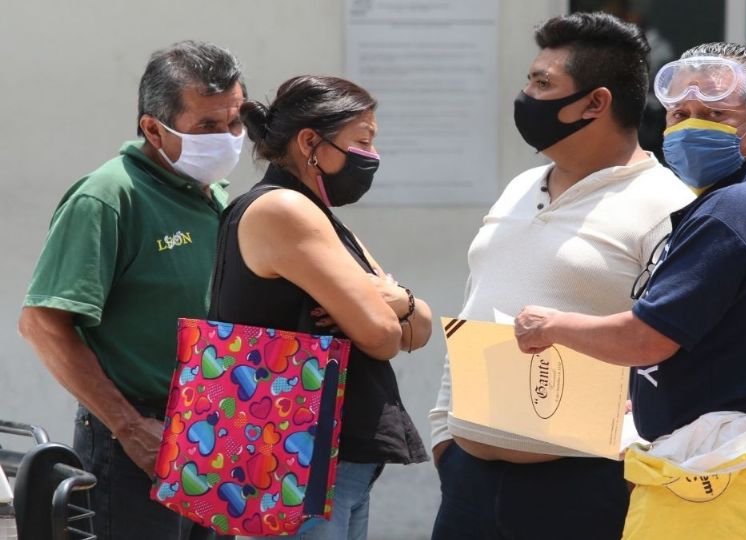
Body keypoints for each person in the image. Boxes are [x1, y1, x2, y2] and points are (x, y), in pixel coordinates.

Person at [514, 43, 746, 537]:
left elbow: (645, 339)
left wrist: (551, 325)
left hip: (729, 485)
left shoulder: (735, 212)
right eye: (680, 113)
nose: (692, 126)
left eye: (715, 114)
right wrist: (664, 388)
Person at [428, 12, 692, 540]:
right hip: (469, 482)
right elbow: (479, 298)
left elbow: (674, 345)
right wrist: (445, 437)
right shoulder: (521, 185)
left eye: (542, 83)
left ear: (595, 102)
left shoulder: (671, 205)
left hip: (585, 489)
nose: (526, 95)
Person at [18, 41, 245, 539]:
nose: (228, 138)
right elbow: (43, 324)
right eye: (207, 125)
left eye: (234, 121)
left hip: (211, 434)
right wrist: (131, 429)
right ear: (151, 128)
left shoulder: (215, 195)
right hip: (137, 443)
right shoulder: (108, 196)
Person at [211, 74, 431, 540]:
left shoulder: (318, 215)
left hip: (323, 461)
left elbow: (420, 327)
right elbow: (386, 335)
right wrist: (387, 304)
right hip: (298, 461)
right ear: (311, 141)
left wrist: (396, 303)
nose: (371, 157)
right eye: (362, 141)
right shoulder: (283, 210)